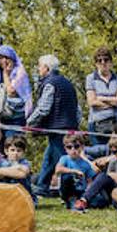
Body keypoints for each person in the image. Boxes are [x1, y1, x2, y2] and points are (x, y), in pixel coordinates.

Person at [27, 54, 80, 199]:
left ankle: (73, 192)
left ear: (46, 68)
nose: (38, 70)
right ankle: (42, 187)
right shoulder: (68, 83)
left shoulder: (50, 83)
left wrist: (29, 122)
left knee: (64, 161)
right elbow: (78, 109)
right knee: (49, 158)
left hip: (58, 128)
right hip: (70, 126)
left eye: (39, 66)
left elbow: (44, 108)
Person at [84, 47, 117, 144]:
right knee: (100, 154)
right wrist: (115, 102)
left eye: (106, 59)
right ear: (96, 64)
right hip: (97, 123)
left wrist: (102, 98)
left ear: (111, 62)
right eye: (99, 60)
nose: (103, 62)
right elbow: (92, 102)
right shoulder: (91, 78)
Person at [0, 45, 30, 127]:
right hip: (1, 115)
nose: (3, 61)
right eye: (0, 58)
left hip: (16, 116)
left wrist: (5, 74)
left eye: (6, 57)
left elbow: (11, 92)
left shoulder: (19, 72)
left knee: (13, 139)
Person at [54, 133, 98, 211]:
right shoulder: (64, 159)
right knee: (66, 177)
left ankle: (80, 202)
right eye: (69, 147)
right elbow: (58, 170)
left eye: (76, 147)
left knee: (98, 201)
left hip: (81, 190)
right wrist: (74, 171)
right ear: (65, 149)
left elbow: (90, 181)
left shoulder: (86, 164)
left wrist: (87, 192)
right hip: (68, 190)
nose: (73, 150)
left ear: (82, 147)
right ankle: (71, 202)